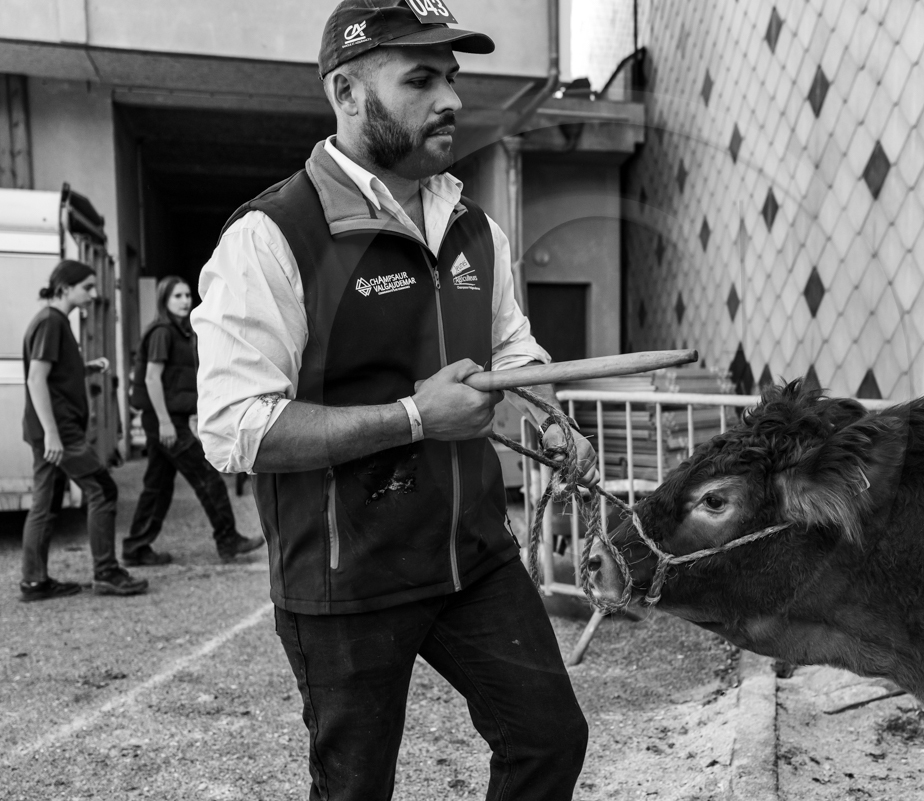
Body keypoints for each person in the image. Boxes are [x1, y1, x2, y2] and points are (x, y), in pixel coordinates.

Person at [192, 2, 597, 798]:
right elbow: (235, 428)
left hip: (472, 555)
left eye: (452, 77)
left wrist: (552, 417)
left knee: (550, 740)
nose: (450, 98)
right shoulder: (273, 236)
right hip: (346, 577)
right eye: (420, 79)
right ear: (346, 93)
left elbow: (514, 349)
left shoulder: (475, 227)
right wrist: (415, 417)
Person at [19, 259, 149, 602]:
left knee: (44, 506)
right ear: (65, 288)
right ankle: (106, 572)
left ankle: (34, 582)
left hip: (53, 430)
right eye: (87, 287)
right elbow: (36, 379)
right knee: (103, 490)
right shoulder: (51, 322)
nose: (93, 294)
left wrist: (86, 367)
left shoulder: (55, 322)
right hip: (60, 432)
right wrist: (52, 434)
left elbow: (57, 372)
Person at [124, 276, 263, 566]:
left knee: (158, 486)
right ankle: (228, 540)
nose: (186, 300)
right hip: (163, 420)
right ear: (164, 300)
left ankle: (136, 547)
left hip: (168, 418)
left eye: (188, 295)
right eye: (178, 296)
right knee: (207, 477)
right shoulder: (163, 332)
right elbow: (152, 379)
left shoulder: (180, 332)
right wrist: (164, 422)